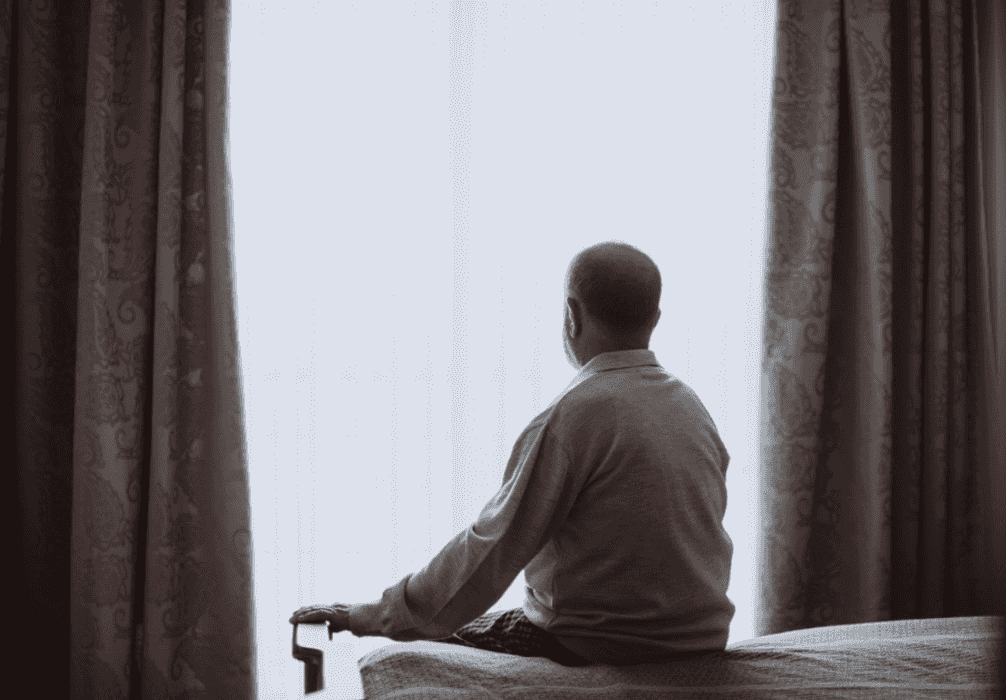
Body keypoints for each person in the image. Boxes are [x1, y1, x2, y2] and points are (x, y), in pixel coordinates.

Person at [290, 241, 734, 666]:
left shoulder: (575, 415)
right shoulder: (691, 408)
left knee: (426, 640)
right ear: (655, 317)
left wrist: (367, 616)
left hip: (595, 644)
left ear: (571, 315)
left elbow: (492, 549)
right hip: (697, 642)